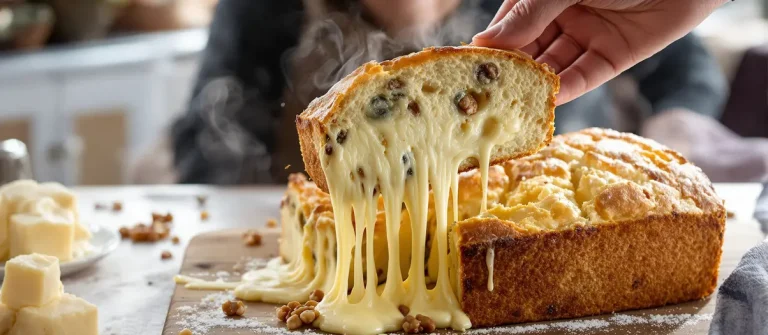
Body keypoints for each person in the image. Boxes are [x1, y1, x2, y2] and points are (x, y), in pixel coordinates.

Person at [169, 0, 728, 185]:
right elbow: (206, 135)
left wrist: (679, 116)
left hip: (545, 205)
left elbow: (682, 62)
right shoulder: (259, 9)